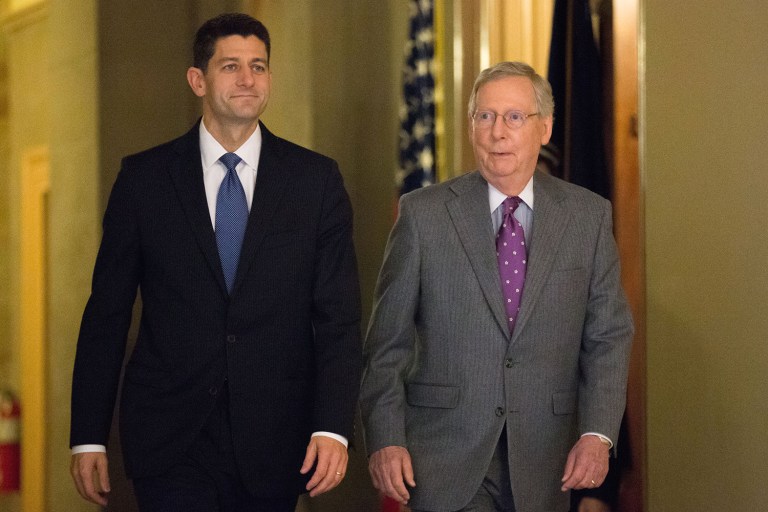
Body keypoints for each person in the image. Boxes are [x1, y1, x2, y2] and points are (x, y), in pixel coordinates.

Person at [69, 13, 362, 512]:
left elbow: (338, 319)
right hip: (169, 438)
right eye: (231, 66)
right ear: (197, 80)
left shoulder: (315, 182)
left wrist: (332, 425)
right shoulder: (144, 181)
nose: (248, 79)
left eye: (259, 66)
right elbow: (107, 314)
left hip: (276, 438)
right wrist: (88, 437)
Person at [359, 61, 633, 512]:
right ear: (471, 128)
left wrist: (597, 433)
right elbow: (386, 344)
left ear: (544, 128)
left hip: (546, 462)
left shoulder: (588, 217)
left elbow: (608, 337)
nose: (497, 132)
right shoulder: (423, 215)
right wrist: (385, 438)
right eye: (484, 117)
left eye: (513, 117)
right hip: (442, 461)